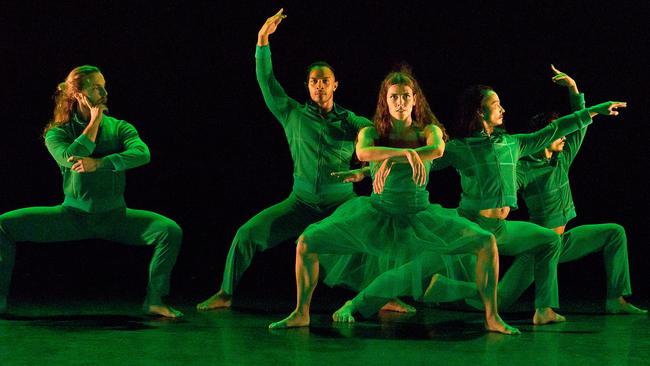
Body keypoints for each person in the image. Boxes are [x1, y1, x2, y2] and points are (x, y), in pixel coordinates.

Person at [269, 68, 519, 335]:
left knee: (485, 242)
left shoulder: (428, 130)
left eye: (405, 97)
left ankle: (492, 317)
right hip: (377, 212)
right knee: (307, 243)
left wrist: (397, 155)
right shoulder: (372, 131)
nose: (400, 102)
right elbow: (364, 152)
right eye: (393, 97)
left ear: (415, 100)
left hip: (419, 215)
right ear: (385, 102)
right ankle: (301, 313)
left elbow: (437, 149)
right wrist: (404, 155)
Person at [196, 9, 374, 311]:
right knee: (247, 234)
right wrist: (262, 40)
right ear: (308, 86)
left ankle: (383, 297)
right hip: (301, 203)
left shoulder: (351, 120)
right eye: (314, 81)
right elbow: (267, 82)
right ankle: (226, 293)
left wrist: (365, 171)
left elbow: (378, 145)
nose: (319, 85)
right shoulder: (292, 113)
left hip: (340, 205)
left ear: (335, 85)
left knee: (371, 243)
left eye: (325, 81)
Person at [416, 82, 627, 324]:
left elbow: (558, 130)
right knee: (488, 293)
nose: (503, 109)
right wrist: (374, 169)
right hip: (477, 226)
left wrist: (591, 108)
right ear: (479, 111)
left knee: (556, 240)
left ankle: (545, 309)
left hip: (511, 230)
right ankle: (439, 289)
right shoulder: (467, 150)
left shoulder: (520, 146)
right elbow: (425, 162)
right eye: (496, 104)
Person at [0, 65, 183, 318]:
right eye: (97, 88)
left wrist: (101, 163)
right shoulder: (58, 132)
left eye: (104, 86)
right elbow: (71, 157)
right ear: (78, 94)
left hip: (115, 217)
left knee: (169, 231)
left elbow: (143, 154)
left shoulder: (120, 127)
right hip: (71, 217)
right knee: (3, 226)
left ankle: (154, 300)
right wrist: (95, 120)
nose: (104, 92)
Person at [496, 66, 646, 314]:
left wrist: (574, 89)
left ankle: (615, 300)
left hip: (562, 242)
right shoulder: (524, 169)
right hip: (538, 249)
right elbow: (505, 190)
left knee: (614, 233)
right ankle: (444, 289)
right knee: (495, 302)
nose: (564, 137)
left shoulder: (563, 157)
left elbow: (579, 121)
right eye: (557, 132)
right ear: (543, 136)